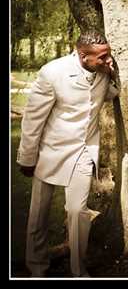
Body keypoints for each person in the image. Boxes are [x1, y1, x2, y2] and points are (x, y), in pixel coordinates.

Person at [17, 30, 119, 278]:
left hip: (84, 150)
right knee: (38, 214)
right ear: (83, 56)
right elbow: (33, 119)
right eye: (102, 57)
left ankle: (78, 270)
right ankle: (37, 267)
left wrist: (113, 74)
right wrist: (27, 158)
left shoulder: (103, 71)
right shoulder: (52, 73)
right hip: (50, 151)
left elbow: (112, 93)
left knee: (77, 211)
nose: (108, 61)